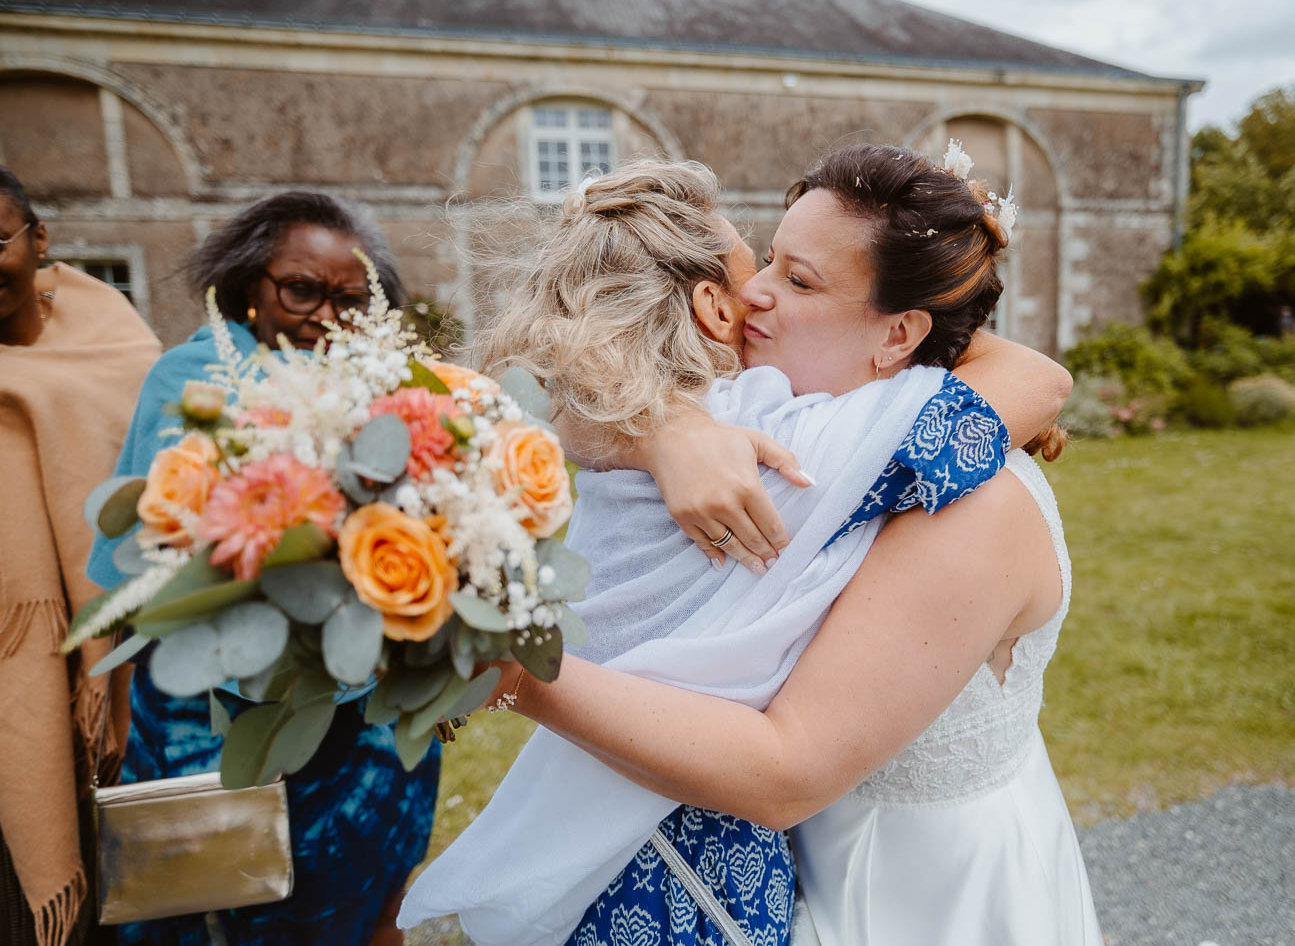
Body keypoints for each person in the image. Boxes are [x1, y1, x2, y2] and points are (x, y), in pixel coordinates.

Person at [402, 145, 1092, 945]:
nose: (748, 295)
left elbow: (788, 767)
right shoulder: (770, 427)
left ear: (899, 333)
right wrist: (665, 432)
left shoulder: (953, 497)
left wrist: (517, 674)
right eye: (767, 259)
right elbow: (572, 397)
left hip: (919, 886)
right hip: (808, 850)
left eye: (798, 281)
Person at [85, 191, 439, 946]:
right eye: (301, 289)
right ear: (250, 285)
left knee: (364, 890)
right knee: (223, 908)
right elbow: (142, 566)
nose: (324, 316)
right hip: (214, 714)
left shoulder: (384, 383)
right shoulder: (189, 381)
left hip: (363, 714)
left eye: (350, 298)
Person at [0, 166, 159, 946]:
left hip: (122, 676)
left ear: (38, 241)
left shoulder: (114, 338)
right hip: (13, 678)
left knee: (122, 891)